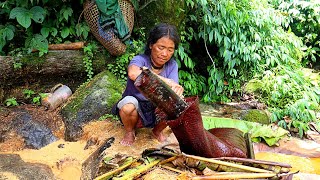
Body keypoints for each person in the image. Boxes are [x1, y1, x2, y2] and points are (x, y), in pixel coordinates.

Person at [112, 23, 184, 146]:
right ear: (151, 45)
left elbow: (173, 89)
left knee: (178, 104)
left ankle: (157, 131)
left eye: (170, 50)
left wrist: (177, 91)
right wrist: (166, 81)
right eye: (161, 47)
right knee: (128, 105)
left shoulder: (172, 65)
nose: (165, 54)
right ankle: (130, 131)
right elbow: (133, 73)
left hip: (155, 108)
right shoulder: (140, 59)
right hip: (136, 106)